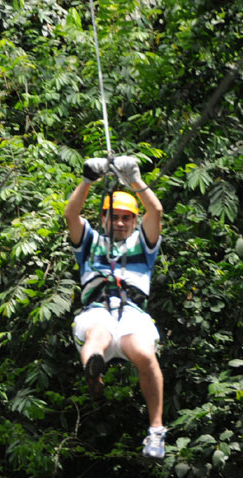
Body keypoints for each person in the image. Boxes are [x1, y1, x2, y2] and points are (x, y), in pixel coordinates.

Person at [64, 155, 167, 458]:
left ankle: (156, 430)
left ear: (134, 221)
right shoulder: (90, 242)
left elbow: (156, 210)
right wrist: (87, 180)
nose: (120, 223)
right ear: (104, 218)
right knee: (98, 334)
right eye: (114, 217)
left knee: (145, 354)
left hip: (133, 316)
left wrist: (134, 178)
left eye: (127, 218)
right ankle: (94, 373)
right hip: (97, 310)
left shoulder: (143, 244)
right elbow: (71, 215)